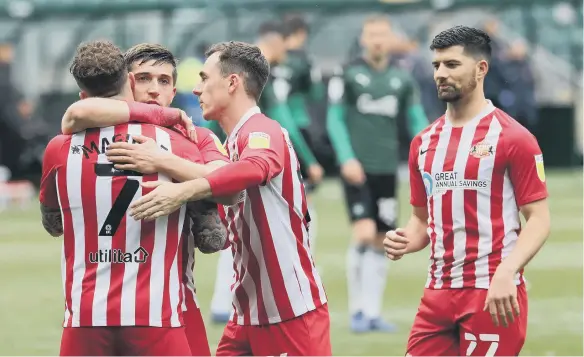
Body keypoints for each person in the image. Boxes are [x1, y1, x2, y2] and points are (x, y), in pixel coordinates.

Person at [127, 41, 331, 356]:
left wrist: (176, 182)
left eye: (205, 78)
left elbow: (253, 169)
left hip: (289, 312)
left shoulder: (262, 130)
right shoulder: (230, 144)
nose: (195, 89)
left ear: (232, 83)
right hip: (247, 311)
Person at [383, 26, 551, 356]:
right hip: (437, 293)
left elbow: (539, 220)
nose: (441, 74)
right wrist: (404, 238)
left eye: (451, 65)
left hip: (492, 292)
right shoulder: (423, 142)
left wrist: (507, 272)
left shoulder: (513, 138)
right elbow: (421, 222)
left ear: (481, 68)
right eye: (436, 66)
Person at [60, 43, 235, 356]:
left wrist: (163, 162)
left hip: (173, 302)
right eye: (144, 78)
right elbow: (77, 113)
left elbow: (226, 180)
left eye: (164, 81)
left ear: (174, 90)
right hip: (108, 305)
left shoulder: (198, 137)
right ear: (126, 83)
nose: (154, 89)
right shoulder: (91, 129)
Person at [208, 21, 325, 324]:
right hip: (254, 158)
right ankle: (283, 285)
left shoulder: (259, 94)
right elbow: (282, 118)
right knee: (246, 227)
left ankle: (230, 300)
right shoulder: (251, 89)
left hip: (255, 157)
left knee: (239, 227)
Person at [326, 15, 428, 333]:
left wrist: (429, 149)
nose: (378, 40)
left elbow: (416, 119)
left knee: (383, 239)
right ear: (363, 39)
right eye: (372, 34)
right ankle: (357, 311)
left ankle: (371, 313)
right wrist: (346, 158)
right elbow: (335, 119)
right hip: (358, 169)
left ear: (391, 38)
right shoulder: (349, 74)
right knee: (364, 232)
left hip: (387, 169)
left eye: (383, 34)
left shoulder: (402, 78)